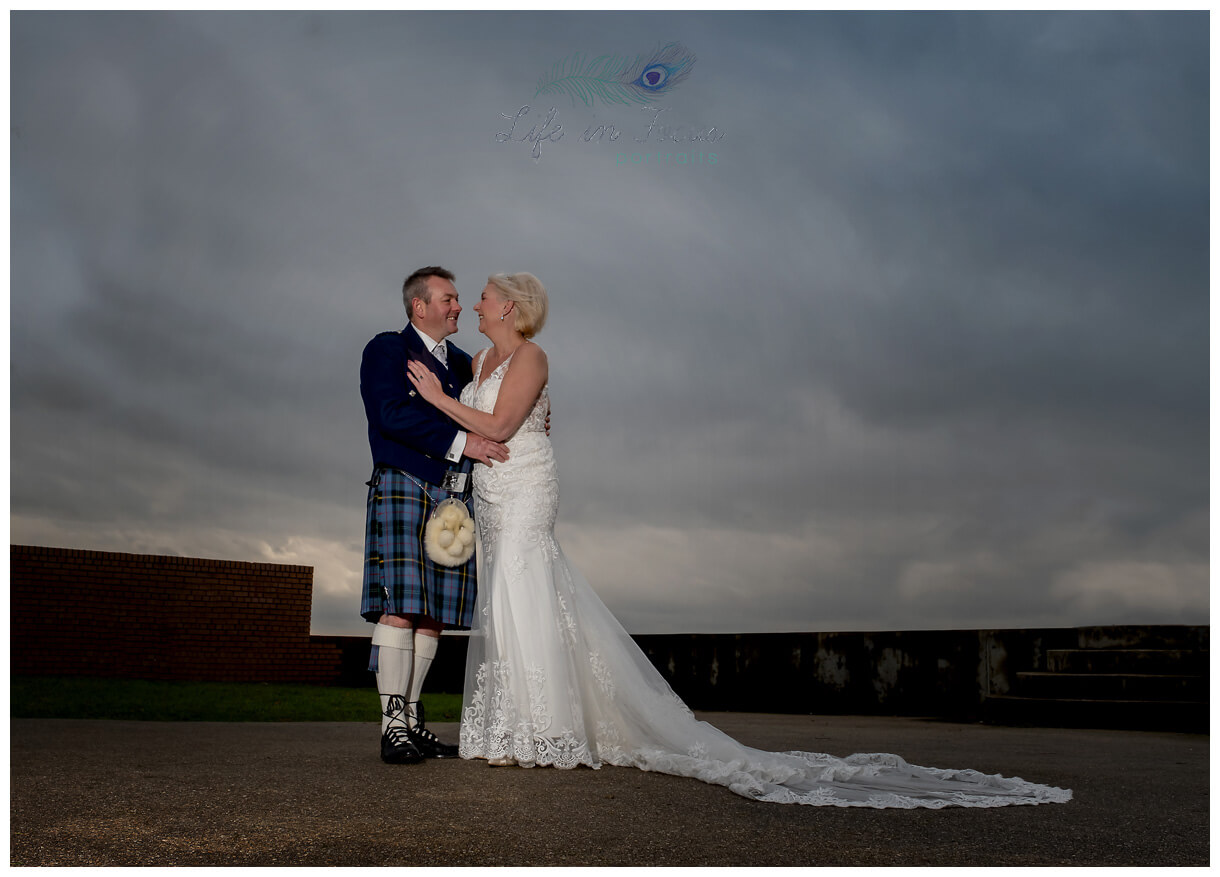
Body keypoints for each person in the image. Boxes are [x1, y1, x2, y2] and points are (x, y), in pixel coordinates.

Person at [406, 272, 1072, 807]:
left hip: (523, 488)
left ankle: (544, 729)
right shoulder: (484, 355)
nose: (476, 301)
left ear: (512, 306)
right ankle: (512, 723)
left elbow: (501, 418)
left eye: (485, 295)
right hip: (493, 491)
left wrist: (439, 399)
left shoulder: (531, 353)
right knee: (508, 593)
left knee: (527, 584)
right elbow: (498, 422)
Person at [359, 265, 510, 765]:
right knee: (400, 603)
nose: (458, 306)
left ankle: (413, 719)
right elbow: (390, 415)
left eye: (459, 298)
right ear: (419, 305)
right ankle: (391, 726)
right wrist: (465, 441)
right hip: (403, 484)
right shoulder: (387, 349)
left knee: (432, 614)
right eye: (448, 298)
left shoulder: (467, 364)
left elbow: (494, 407)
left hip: (452, 495)